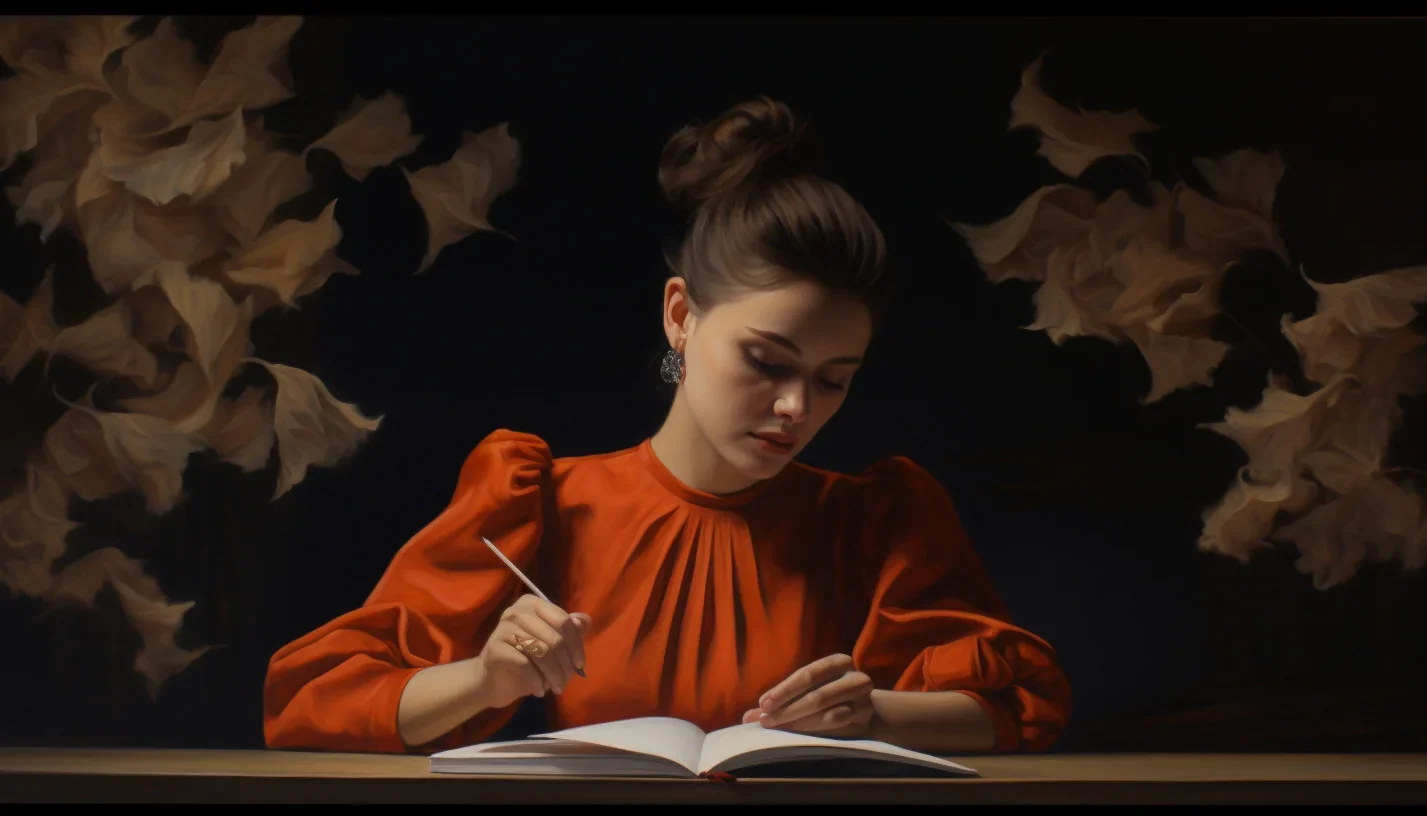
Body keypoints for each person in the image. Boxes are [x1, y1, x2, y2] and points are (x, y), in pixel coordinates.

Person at [262, 97, 1071, 756]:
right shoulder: (537, 498)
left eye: (834, 381)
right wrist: (487, 679)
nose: (798, 408)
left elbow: (1018, 705)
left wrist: (876, 715)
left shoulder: (875, 520)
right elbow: (311, 703)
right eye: (767, 362)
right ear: (681, 315)